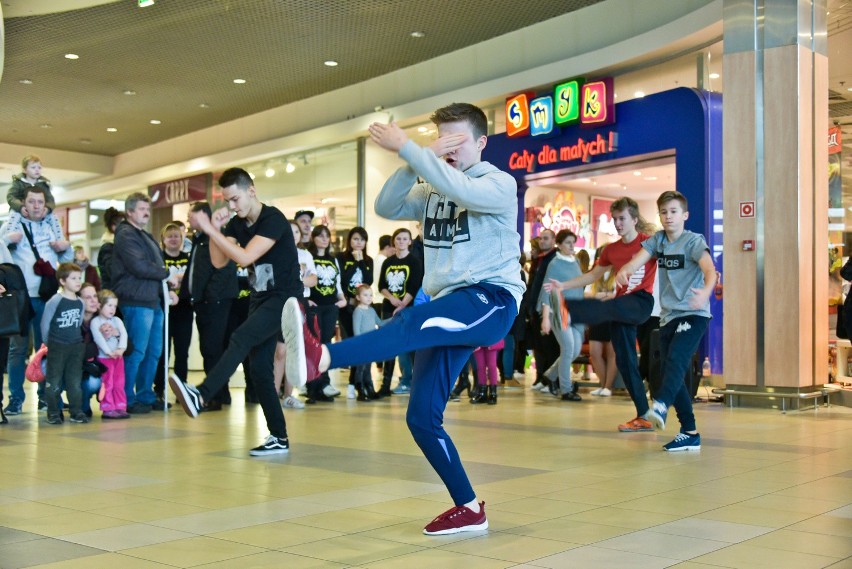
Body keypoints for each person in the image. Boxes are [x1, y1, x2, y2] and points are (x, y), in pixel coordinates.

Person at [282, 102, 525, 535]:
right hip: (451, 302)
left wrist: (416, 151)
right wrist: (418, 157)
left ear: (482, 142)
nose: (449, 149)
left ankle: (322, 359)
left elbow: (464, 192)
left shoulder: (499, 183)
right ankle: (469, 507)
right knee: (421, 417)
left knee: (412, 323)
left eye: (458, 140)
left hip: (490, 299)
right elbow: (387, 204)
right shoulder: (431, 186)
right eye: (443, 140)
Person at [169, 167, 305, 457]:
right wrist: (216, 231)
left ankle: (202, 395)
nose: (231, 206)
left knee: (240, 337)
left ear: (251, 191)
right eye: (227, 201)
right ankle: (279, 436)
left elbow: (244, 258)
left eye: (235, 199)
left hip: (284, 298)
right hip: (260, 298)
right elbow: (220, 262)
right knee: (258, 369)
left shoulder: (273, 219)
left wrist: (208, 229)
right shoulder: (237, 224)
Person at [545, 197, 658, 433]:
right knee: (626, 362)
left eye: (622, 219)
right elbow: (593, 275)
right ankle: (643, 415)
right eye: (615, 219)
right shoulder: (611, 249)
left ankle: (570, 312)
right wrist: (562, 286)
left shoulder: (649, 243)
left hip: (640, 302)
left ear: (634, 220)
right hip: (620, 307)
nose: (617, 223)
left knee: (609, 307)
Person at [614, 190, 715, 452]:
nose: (668, 217)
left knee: (676, 360)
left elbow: (709, 270)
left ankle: (660, 405)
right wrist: (625, 271)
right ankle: (690, 432)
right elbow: (638, 261)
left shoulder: (693, 241)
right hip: (669, 315)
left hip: (694, 312)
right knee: (671, 372)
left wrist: (705, 291)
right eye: (663, 212)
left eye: (673, 212)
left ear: (685, 215)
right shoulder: (659, 240)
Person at [0, 186, 74, 415]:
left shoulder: (52, 226)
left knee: (47, 347)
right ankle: (16, 399)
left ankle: (46, 396)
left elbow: (67, 259)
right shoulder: (12, 225)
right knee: (18, 349)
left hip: (48, 296)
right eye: (31, 201)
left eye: (40, 202)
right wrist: (7, 239)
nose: (36, 206)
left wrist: (66, 247)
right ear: (23, 204)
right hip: (21, 297)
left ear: (45, 204)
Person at [112, 193, 178, 414]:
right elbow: (139, 266)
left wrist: (167, 289)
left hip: (153, 299)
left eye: (147, 208)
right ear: (129, 212)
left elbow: (153, 267)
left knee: (154, 352)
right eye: (141, 209)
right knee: (137, 352)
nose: (146, 212)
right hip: (136, 300)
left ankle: (145, 395)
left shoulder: (145, 235)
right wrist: (168, 274)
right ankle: (127, 398)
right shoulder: (125, 235)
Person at [186, 201, 240, 410]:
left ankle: (214, 396)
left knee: (213, 349)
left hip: (215, 302)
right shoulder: (199, 240)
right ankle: (221, 394)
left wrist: (210, 296)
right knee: (209, 348)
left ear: (204, 216)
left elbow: (224, 270)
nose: (189, 219)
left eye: (192, 215)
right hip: (203, 302)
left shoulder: (217, 238)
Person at [538, 230, 585, 401]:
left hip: (576, 310)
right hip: (560, 310)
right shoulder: (555, 264)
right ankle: (566, 389)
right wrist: (545, 317)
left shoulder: (576, 261)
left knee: (575, 350)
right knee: (568, 348)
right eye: (567, 242)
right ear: (559, 244)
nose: (572, 245)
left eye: (573, 242)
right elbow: (546, 291)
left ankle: (549, 375)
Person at [275, 221, 317, 410]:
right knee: (279, 351)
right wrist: (299, 281)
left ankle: (289, 395)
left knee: (294, 349)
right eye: (289, 231)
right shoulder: (276, 252)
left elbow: (313, 279)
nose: (293, 235)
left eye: (296, 232)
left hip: (299, 304)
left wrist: (297, 281)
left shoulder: (305, 255)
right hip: (280, 303)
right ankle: (273, 393)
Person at [377, 227, 423, 396]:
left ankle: (410, 381)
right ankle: (385, 384)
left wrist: (403, 303)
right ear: (393, 241)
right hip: (389, 308)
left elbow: (415, 285)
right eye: (398, 238)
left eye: (405, 239)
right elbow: (381, 284)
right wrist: (391, 299)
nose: (401, 241)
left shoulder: (415, 261)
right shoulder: (388, 262)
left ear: (410, 242)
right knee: (389, 345)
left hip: (408, 309)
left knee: (408, 346)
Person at [304, 224, 347, 403]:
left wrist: (341, 299)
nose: (324, 239)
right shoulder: (308, 257)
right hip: (314, 305)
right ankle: (312, 385)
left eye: (326, 236)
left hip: (330, 306)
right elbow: (303, 279)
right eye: (320, 235)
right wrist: (305, 299)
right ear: (313, 238)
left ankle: (324, 383)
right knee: (313, 344)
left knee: (326, 344)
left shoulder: (333, 259)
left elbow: (337, 284)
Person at [41, 263, 86, 424]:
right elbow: (45, 324)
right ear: (62, 281)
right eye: (73, 278)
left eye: (79, 278)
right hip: (57, 345)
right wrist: (49, 343)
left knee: (74, 381)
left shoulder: (80, 302)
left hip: (75, 346)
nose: (78, 281)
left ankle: (76, 411)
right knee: (54, 380)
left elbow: (79, 323)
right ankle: (53, 412)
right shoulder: (55, 300)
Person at [153, 222, 192, 405]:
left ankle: (181, 389)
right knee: (163, 352)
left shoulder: (188, 258)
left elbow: (192, 278)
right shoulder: (159, 259)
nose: (174, 239)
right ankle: (159, 389)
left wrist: (176, 278)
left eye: (177, 236)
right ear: (163, 240)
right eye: (170, 236)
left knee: (182, 352)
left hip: (184, 310)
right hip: (164, 310)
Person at [338, 227, 374, 399]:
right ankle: (354, 383)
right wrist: (353, 263)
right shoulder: (341, 258)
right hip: (347, 308)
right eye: (355, 239)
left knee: (364, 345)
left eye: (361, 240)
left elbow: (368, 281)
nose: (358, 243)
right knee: (353, 343)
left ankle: (358, 382)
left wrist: (360, 262)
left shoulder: (368, 260)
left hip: (363, 308)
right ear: (349, 241)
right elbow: (343, 281)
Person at [523, 228, 558, 391]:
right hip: (535, 309)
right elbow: (533, 286)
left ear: (553, 240)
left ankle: (551, 381)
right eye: (541, 238)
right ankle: (541, 377)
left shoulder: (554, 259)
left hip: (548, 308)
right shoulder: (539, 260)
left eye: (546, 238)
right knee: (539, 346)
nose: (542, 241)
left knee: (550, 346)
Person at [90, 289, 130, 419]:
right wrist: (108, 352)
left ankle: (120, 405)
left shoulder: (117, 320)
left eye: (114, 306)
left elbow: (123, 334)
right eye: (109, 305)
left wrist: (121, 349)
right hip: (104, 358)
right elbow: (98, 338)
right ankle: (107, 407)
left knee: (119, 382)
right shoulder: (95, 322)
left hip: (118, 357)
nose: (112, 309)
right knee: (107, 382)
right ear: (100, 306)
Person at [6, 155, 64, 240]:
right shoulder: (18, 183)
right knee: (14, 215)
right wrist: (20, 207)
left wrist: (47, 208)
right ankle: (10, 237)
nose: (37, 170)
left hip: (39, 211)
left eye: (39, 167)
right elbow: (11, 196)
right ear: (25, 170)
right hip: (21, 208)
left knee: (53, 217)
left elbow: (50, 200)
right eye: (33, 167)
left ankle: (59, 239)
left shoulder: (43, 184)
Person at [587, 246, 617, 397]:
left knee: (612, 353)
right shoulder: (594, 274)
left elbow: (621, 294)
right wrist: (599, 296)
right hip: (597, 316)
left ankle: (608, 386)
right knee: (595, 352)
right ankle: (603, 383)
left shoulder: (619, 272)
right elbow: (586, 293)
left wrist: (605, 296)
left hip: (613, 316)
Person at [350, 284, 382, 401]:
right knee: (360, 368)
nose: (369, 298)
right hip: (361, 345)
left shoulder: (372, 310)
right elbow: (356, 330)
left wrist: (394, 319)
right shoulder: (358, 311)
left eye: (370, 295)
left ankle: (370, 389)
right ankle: (360, 390)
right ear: (358, 297)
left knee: (367, 368)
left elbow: (380, 323)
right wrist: (360, 344)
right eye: (365, 295)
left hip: (370, 344)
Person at [97, 207, 124, 291]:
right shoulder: (108, 247)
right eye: (124, 225)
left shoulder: (118, 244)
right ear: (114, 227)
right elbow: (113, 272)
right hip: (113, 293)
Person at [470, 339, 504, 405]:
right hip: (478, 339)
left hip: (491, 338)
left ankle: (493, 393)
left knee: (492, 365)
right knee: (480, 366)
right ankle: (482, 393)